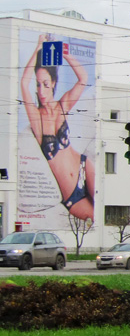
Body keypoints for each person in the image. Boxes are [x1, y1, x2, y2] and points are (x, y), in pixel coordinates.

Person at [20, 33, 96, 221]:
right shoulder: (36, 118)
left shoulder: (62, 106)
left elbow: (83, 78)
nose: (41, 91)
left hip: (84, 165)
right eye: (38, 85)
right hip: (72, 195)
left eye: (45, 84)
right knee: (94, 216)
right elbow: (23, 83)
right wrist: (38, 48)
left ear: (53, 83)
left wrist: (65, 54)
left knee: (101, 212)